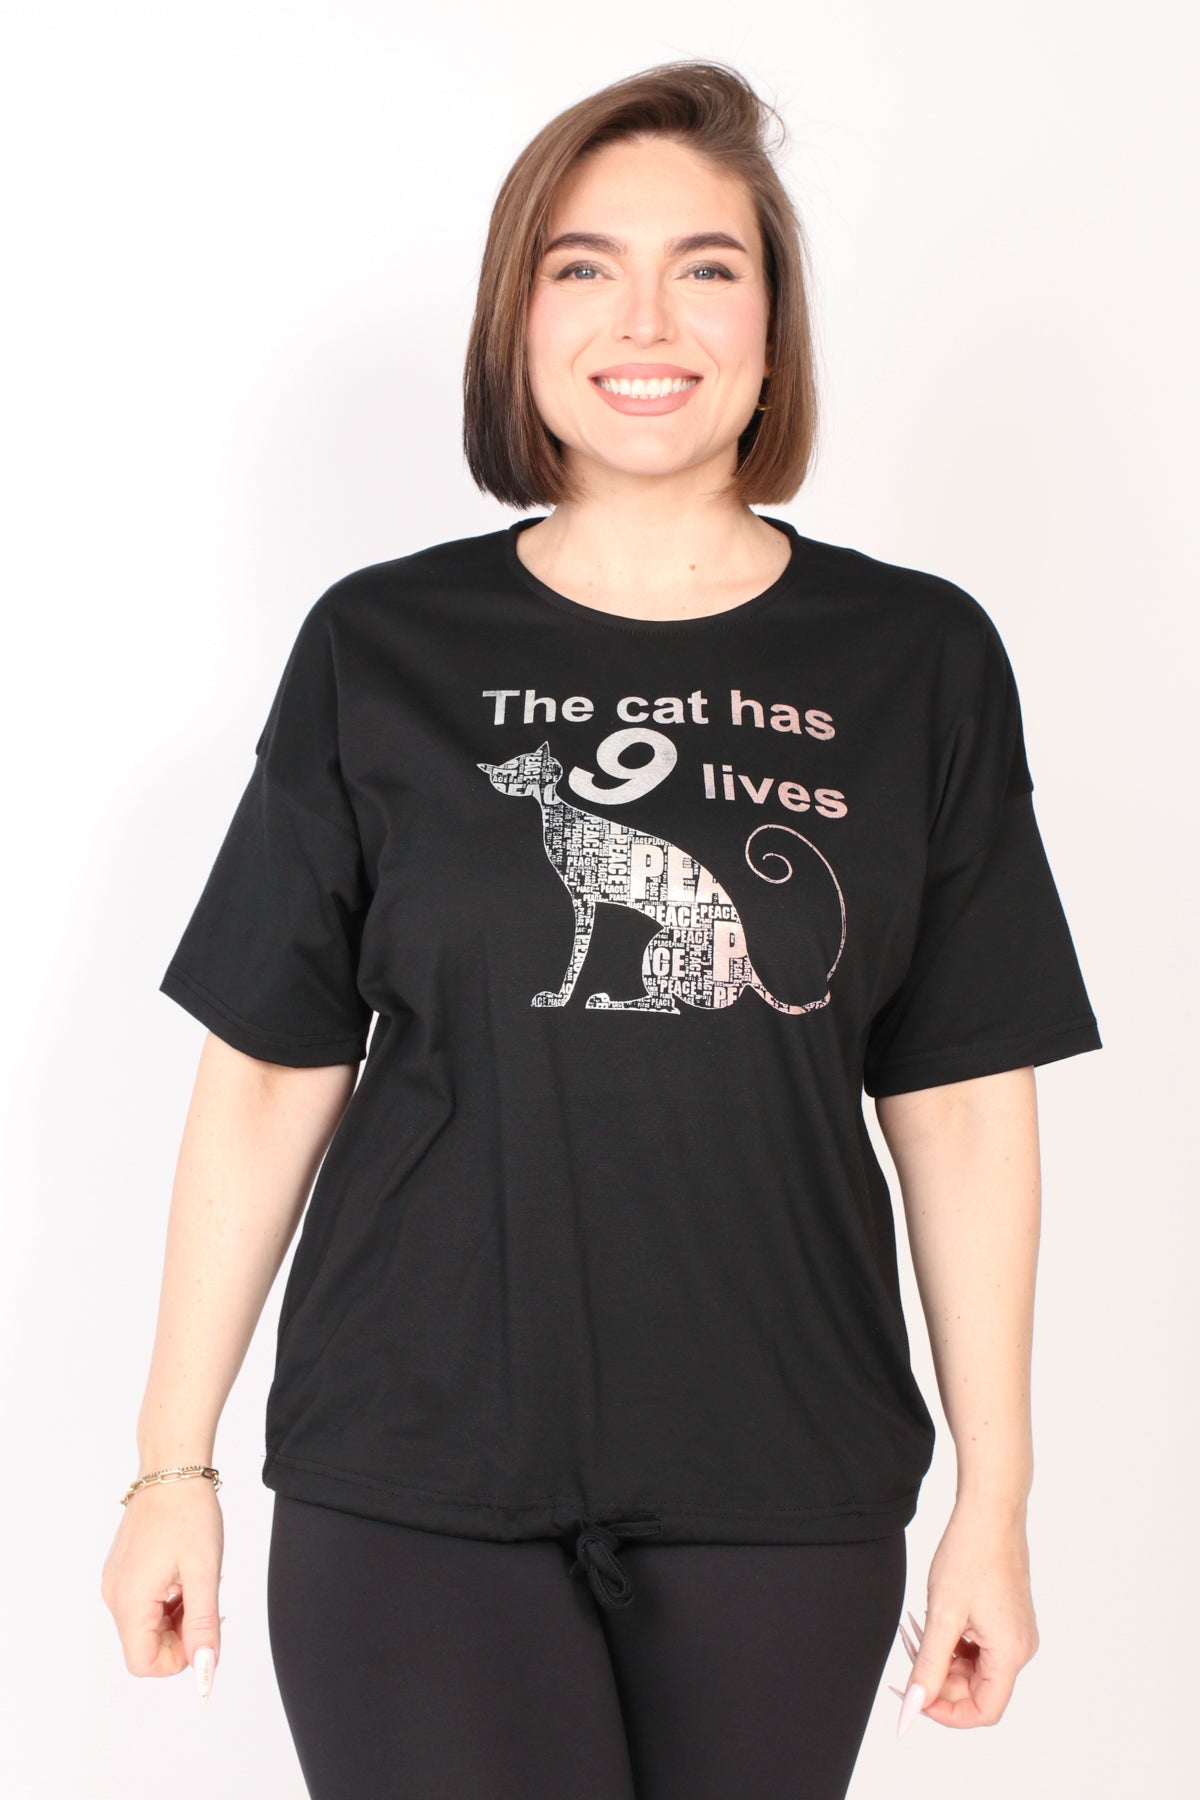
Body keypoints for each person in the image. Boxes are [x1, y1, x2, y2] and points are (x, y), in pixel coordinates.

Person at [101, 59, 1102, 1800]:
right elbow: (268, 1069)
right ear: (521, 320)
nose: (648, 318)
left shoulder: (920, 658)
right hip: (415, 1470)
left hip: (785, 1477)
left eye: (707, 267)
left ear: (773, 331)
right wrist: (168, 1464)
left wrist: (993, 1505)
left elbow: (958, 1101)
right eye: (585, 266)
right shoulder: (380, 645)